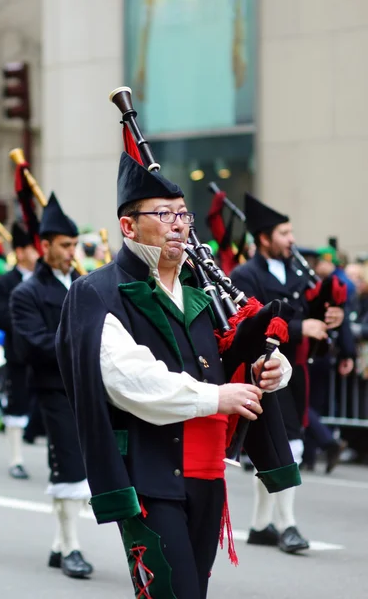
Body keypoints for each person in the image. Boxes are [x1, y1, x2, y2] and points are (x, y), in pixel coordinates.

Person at [56, 153, 298, 599]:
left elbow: (235, 363)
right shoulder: (96, 293)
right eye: (163, 214)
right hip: (150, 477)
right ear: (128, 227)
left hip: (208, 475)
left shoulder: (201, 294)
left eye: (183, 214)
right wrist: (217, 398)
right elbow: (128, 380)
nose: (178, 224)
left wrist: (271, 369)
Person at [230, 194, 345, 554]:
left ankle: (261, 525)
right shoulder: (244, 275)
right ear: (264, 237)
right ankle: (287, 525)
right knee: (284, 446)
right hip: (264, 370)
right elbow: (249, 323)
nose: (291, 239)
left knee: (276, 447)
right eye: (284, 232)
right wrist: (300, 329)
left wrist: (331, 316)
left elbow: (313, 310)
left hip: (294, 371)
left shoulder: (297, 271)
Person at [10, 194, 94, 580]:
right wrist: (81, 342)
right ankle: (72, 547)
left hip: (89, 389)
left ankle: (60, 546)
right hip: (53, 387)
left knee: (88, 466)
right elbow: (31, 345)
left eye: (74, 245)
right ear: (44, 246)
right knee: (69, 467)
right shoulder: (25, 293)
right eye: (64, 245)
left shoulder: (85, 285)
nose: (71, 252)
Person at [0, 222, 40, 479]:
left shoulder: (49, 279)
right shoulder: (4, 282)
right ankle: (16, 458)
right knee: (17, 403)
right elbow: (0, 318)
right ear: (20, 252)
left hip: (46, 353)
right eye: (34, 248)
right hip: (18, 352)